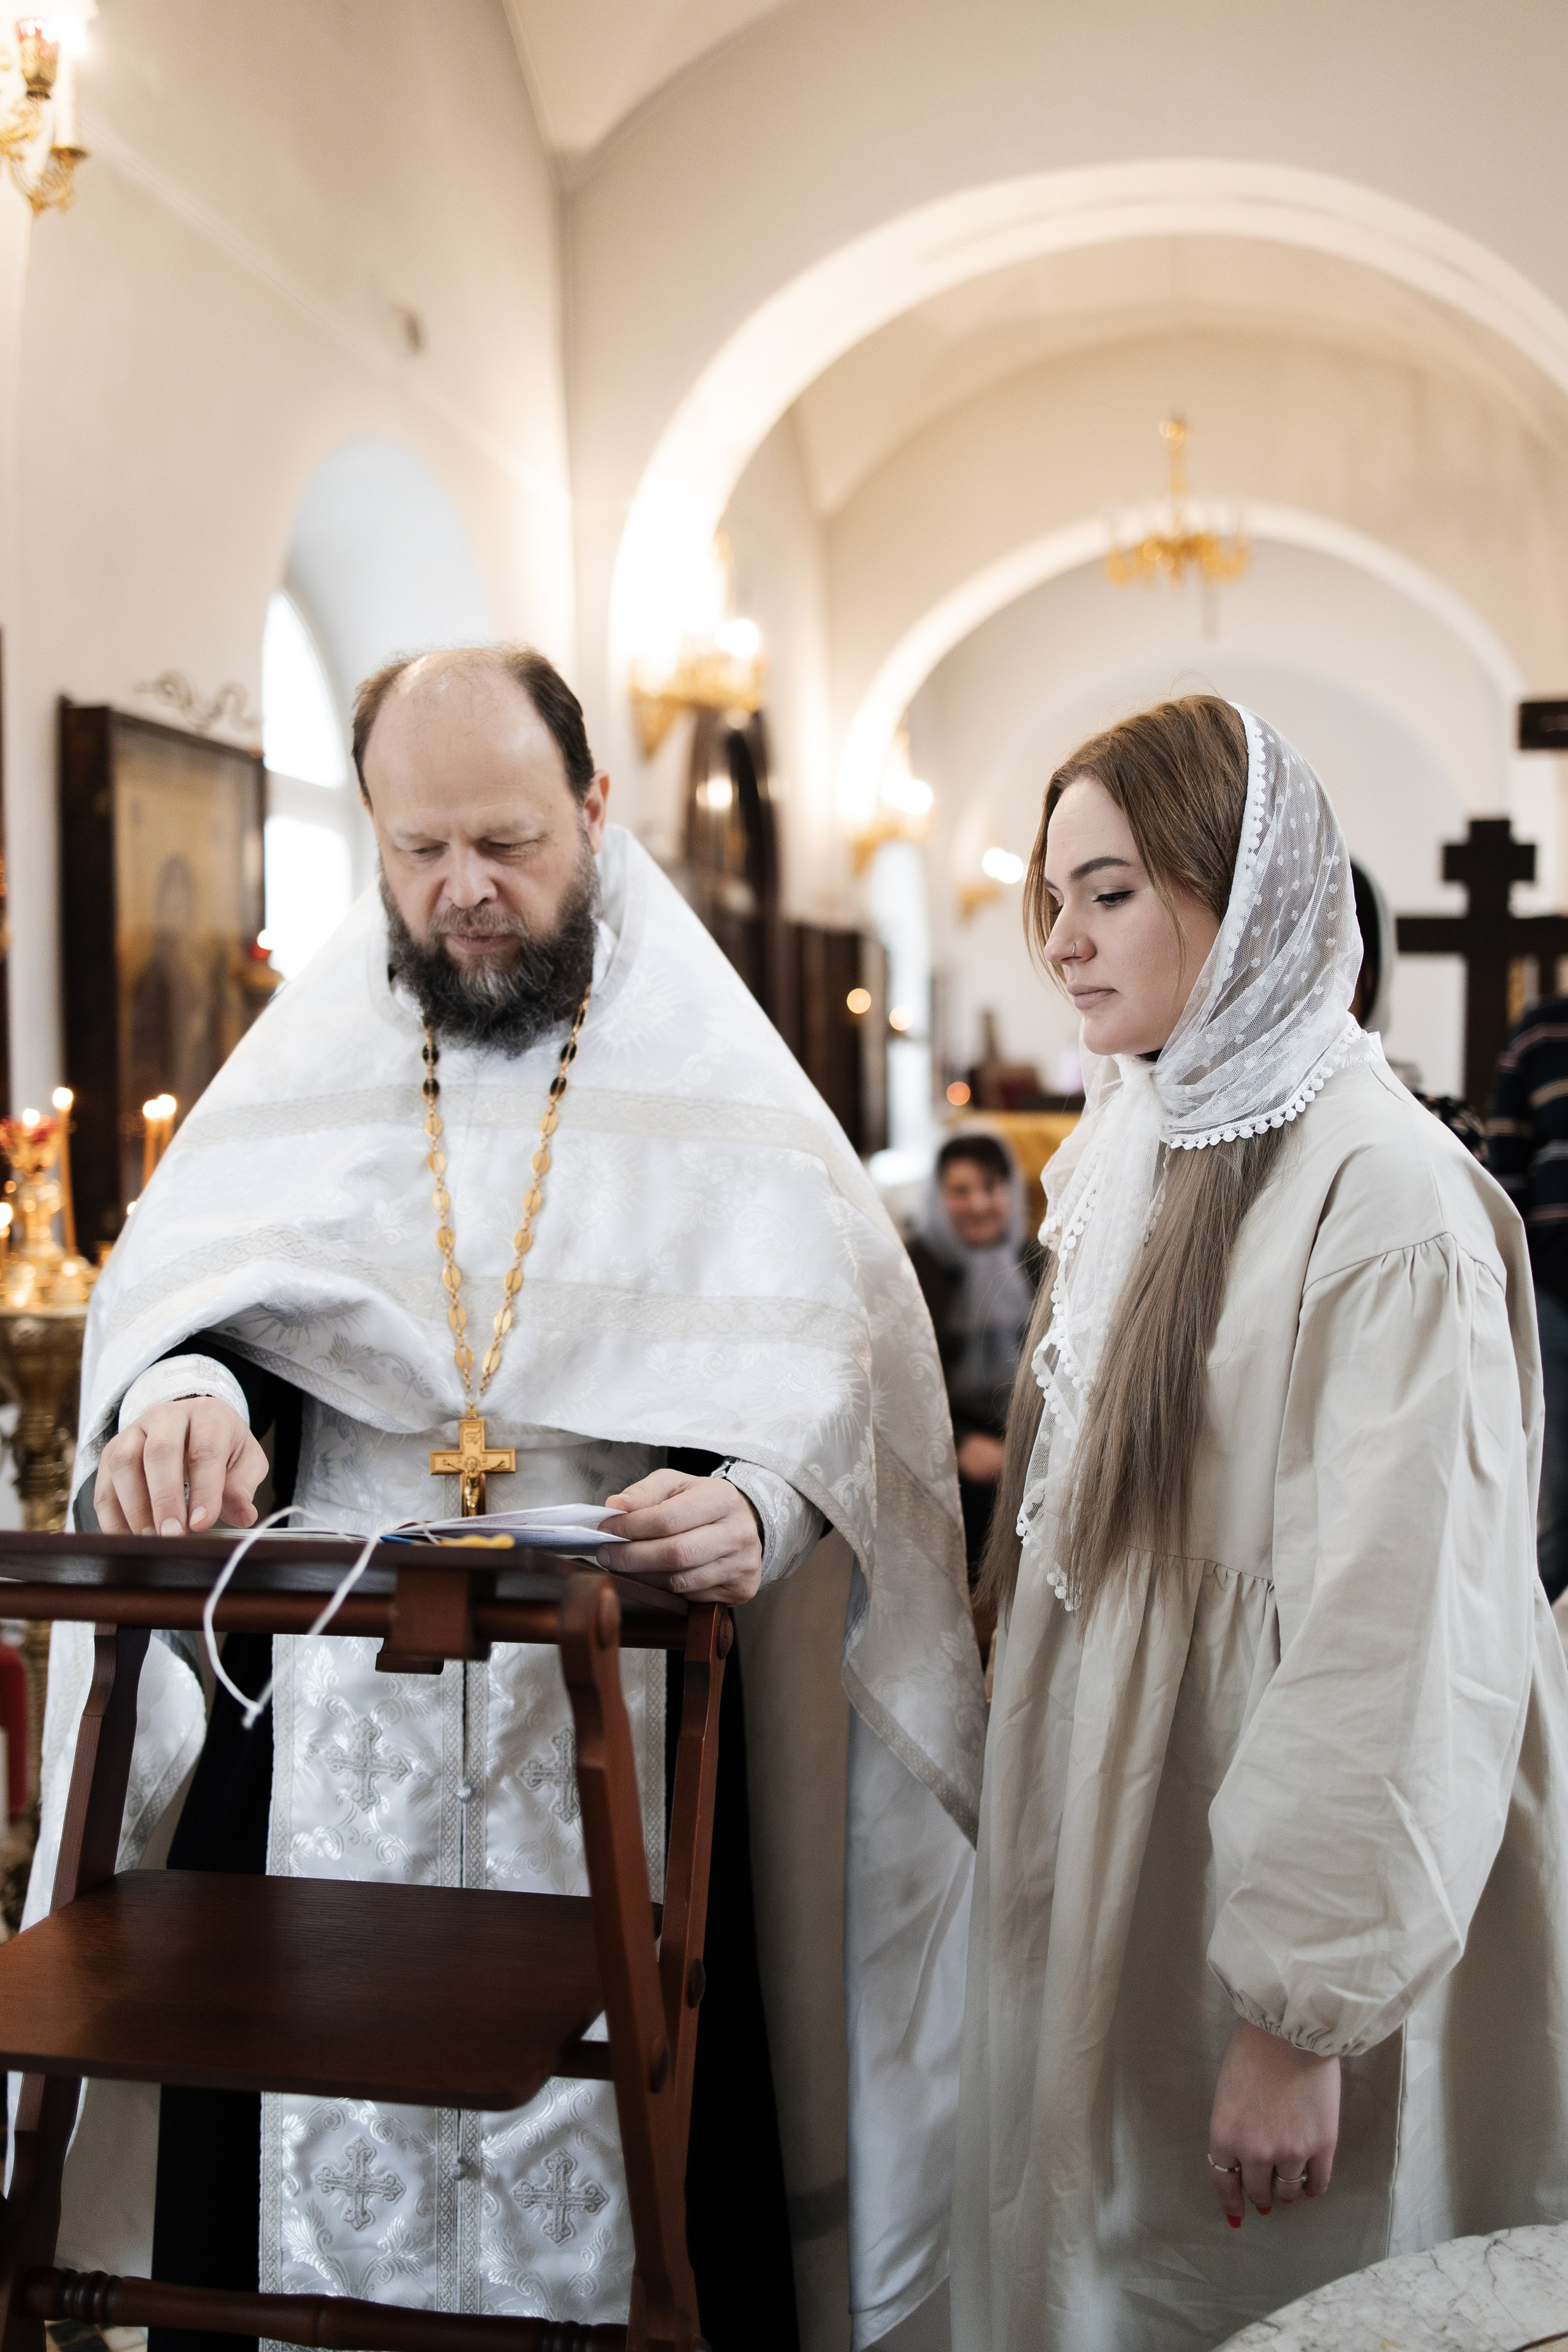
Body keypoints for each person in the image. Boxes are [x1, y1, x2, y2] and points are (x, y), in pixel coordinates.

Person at [36, 646, 984, 2352]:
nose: (467, 888)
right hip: (330, 1694)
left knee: (636, 2180)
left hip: (620, 1710)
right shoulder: (308, 1070)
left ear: (597, 816)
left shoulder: (718, 1071)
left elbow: (843, 1380)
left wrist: (764, 1507)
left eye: (510, 840)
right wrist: (179, 1393)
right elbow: (203, 1314)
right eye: (420, 850)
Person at [951, 696, 1568, 2351]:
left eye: (1114, 893)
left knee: (1285, 2294)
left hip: (1283, 1855)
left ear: (1251, 898)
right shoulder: (1136, 1136)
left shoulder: (1388, 1200)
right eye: (1054, 899)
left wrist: (1302, 2015)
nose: (1065, 945)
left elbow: (1401, 1622)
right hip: (1131, 1815)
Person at [906, 1133, 1041, 1584]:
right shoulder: (915, 1267)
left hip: (1029, 1437)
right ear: (938, 1196)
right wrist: (960, 1442)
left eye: (990, 1187)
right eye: (960, 1191)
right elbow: (902, 1379)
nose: (978, 1204)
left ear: (1012, 1191)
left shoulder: (1037, 1259)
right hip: (942, 1442)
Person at [1488, 995, 1568, 1601]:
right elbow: (1505, 1168)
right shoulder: (1541, 1031)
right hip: (1552, 1294)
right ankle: (1532, 1639)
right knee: (1552, 1487)